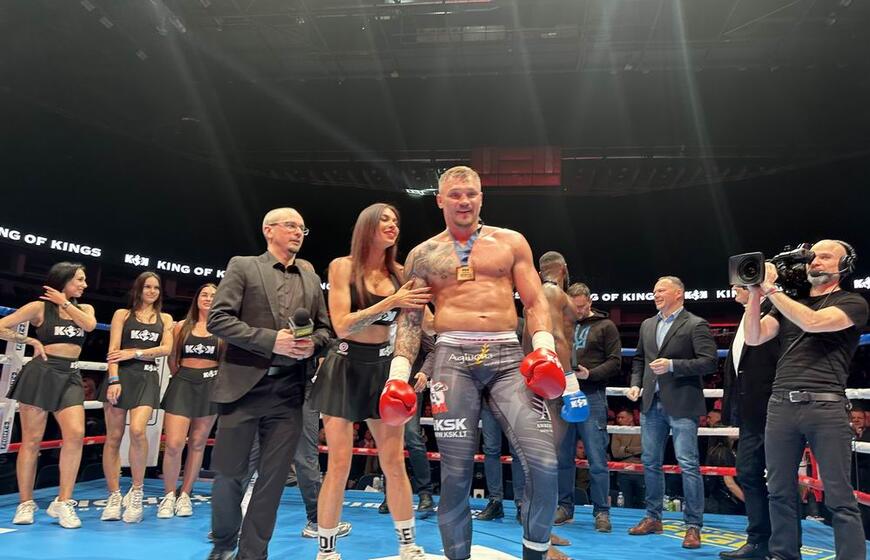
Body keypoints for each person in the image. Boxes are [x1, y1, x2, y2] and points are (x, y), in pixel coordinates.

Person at [381, 166, 573, 560]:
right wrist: (397, 375)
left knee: (543, 463)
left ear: (481, 197)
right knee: (455, 473)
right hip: (452, 356)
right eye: (455, 194)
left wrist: (543, 349)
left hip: (506, 355)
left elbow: (535, 302)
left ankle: (535, 553)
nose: (464, 201)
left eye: (470, 193)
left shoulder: (511, 242)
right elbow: (411, 320)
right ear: (440, 200)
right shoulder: (423, 255)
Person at [206, 207, 331, 560]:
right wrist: (270, 340)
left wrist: (312, 344)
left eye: (302, 227)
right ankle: (224, 541)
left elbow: (325, 330)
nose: (298, 232)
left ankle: (253, 554)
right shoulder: (244, 266)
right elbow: (218, 319)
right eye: (291, 225)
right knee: (229, 473)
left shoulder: (310, 277)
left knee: (273, 481)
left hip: (289, 390)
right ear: (268, 230)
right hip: (243, 387)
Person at [309, 203, 431, 560]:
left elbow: (430, 323)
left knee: (394, 462)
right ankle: (326, 551)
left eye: (396, 221)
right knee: (339, 465)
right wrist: (392, 301)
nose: (393, 225)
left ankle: (408, 545)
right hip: (344, 367)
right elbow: (342, 325)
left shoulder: (400, 272)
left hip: (382, 369)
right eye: (384, 220)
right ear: (367, 227)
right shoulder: (342, 266)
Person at [744, 240, 868, 560]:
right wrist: (755, 293)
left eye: (825, 256)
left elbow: (813, 322)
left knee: (839, 495)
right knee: (778, 490)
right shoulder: (789, 302)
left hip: (825, 405)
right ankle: (783, 555)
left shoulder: (853, 302)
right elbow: (754, 336)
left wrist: (772, 290)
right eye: (813, 256)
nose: (816, 261)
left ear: (845, 266)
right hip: (781, 404)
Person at [2, 262, 96, 528]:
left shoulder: (85, 309)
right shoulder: (38, 307)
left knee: (76, 434)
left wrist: (64, 302)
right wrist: (29, 340)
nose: (85, 284)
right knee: (32, 440)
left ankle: (64, 501)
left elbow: (89, 326)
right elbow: (2, 325)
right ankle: (25, 503)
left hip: (70, 375)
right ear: (64, 280)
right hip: (41, 372)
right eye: (79, 279)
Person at [626, 276, 717, 549]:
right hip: (651, 403)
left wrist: (674, 365)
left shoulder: (695, 324)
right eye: (654, 291)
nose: (656, 294)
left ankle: (693, 525)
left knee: (688, 463)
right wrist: (635, 383)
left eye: (661, 290)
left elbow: (709, 362)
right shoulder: (647, 324)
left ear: (678, 293)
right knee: (650, 461)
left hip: (682, 403)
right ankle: (653, 517)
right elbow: (639, 359)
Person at [99, 271, 174, 523]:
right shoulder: (122, 314)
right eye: (147, 287)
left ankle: (137, 491)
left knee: (138, 431)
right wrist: (113, 379)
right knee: (113, 437)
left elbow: (166, 349)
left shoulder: (165, 318)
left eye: (156, 287)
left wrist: (135, 352)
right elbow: (113, 350)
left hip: (147, 377)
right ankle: (113, 495)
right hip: (121, 376)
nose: (152, 291)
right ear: (138, 289)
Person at [554, 279, 621, 530]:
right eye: (574, 307)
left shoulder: (605, 326)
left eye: (582, 306)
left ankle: (601, 511)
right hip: (563, 395)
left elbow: (616, 362)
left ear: (590, 302)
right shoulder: (561, 325)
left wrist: (590, 374)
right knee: (563, 456)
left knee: (596, 458)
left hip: (591, 395)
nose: (578, 311)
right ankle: (564, 507)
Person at [719, 286, 779, 559]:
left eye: (740, 283)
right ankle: (758, 540)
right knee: (748, 473)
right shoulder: (747, 315)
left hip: (773, 409)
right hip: (749, 413)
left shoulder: (776, 311)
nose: (734, 288)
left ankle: (783, 545)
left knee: (779, 480)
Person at [158, 283, 221, 519]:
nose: (208, 298)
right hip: (183, 382)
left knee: (197, 442)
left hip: (210, 384)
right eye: (204, 294)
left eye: (213, 295)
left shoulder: (222, 329)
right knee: (174, 443)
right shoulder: (181, 327)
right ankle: (168, 495)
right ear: (197, 298)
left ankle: (185, 494)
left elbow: (224, 361)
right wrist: (185, 376)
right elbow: (173, 360)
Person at [610, 408, 644, 508]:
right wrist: (636, 451)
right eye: (618, 418)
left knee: (643, 503)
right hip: (623, 472)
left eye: (622, 417)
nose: (619, 420)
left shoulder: (641, 430)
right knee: (625, 503)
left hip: (641, 470)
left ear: (630, 418)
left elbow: (646, 449)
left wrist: (625, 449)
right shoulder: (616, 431)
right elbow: (616, 453)